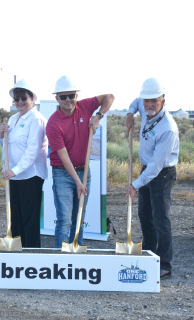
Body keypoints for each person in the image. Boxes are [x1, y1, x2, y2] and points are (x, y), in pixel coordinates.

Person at [46, 76, 114, 248]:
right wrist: (77, 181)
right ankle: (60, 258)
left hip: (85, 171)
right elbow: (63, 156)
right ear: (57, 99)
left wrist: (98, 115)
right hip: (63, 173)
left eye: (71, 95)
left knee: (79, 217)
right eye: (63, 96)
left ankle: (77, 255)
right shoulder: (53, 123)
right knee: (65, 219)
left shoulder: (85, 106)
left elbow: (110, 97)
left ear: (76, 95)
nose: (68, 99)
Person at [126, 78, 178, 280]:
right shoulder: (143, 104)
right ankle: (149, 253)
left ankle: (164, 264)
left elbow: (156, 166)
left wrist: (135, 185)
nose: (148, 105)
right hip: (146, 169)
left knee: (160, 219)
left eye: (154, 101)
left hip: (162, 175)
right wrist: (130, 114)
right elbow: (134, 103)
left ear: (162, 102)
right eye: (146, 100)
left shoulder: (168, 128)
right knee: (144, 214)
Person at [0, 79, 48, 248]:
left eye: (23, 98)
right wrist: (1, 135)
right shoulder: (12, 119)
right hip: (13, 175)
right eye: (17, 99)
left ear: (32, 98)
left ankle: (32, 255)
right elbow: (7, 145)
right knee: (16, 217)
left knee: (29, 219)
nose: (20, 102)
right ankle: (17, 255)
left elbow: (33, 150)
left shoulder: (36, 119)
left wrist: (16, 170)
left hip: (30, 175)